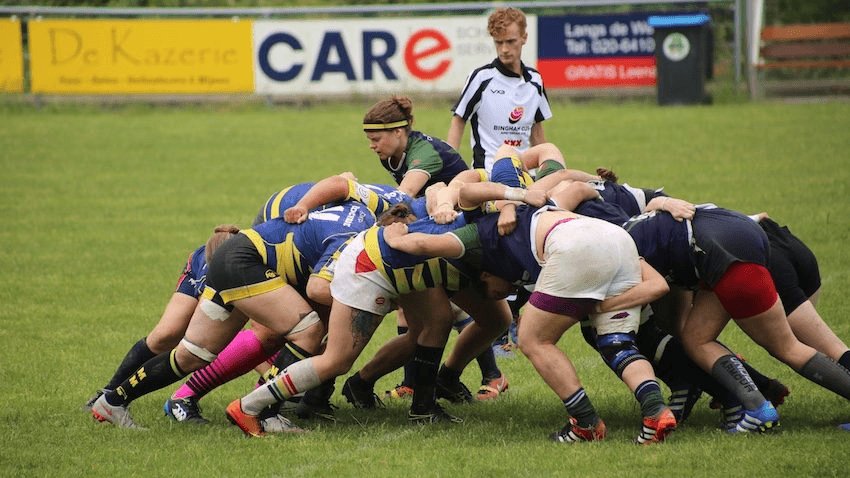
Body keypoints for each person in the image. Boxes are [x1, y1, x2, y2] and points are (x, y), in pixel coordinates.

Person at [382, 181, 677, 444]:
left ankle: (585, 423)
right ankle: (656, 412)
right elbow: (573, 189)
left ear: (484, 275)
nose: (503, 294)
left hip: (573, 244)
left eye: (492, 292)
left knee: (533, 340)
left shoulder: (474, 234)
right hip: (616, 239)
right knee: (618, 344)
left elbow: (441, 224)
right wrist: (517, 199)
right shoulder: (520, 218)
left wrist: (396, 238)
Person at [224, 204, 515, 436]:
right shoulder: (486, 231)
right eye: (511, 281)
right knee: (336, 360)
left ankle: (423, 408)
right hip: (371, 265)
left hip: (399, 266)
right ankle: (248, 407)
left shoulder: (498, 231)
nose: (512, 289)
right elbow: (462, 185)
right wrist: (503, 198)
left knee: (438, 320)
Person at [89, 199, 376, 430]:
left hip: (232, 260)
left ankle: (112, 401)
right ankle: (263, 413)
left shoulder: (362, 216)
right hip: (242, 262)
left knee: (192, 354)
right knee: (307, 330)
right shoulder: (357, 235)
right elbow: (317, 288)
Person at [623, 204, 850, 432]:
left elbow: (658, 287)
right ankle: (757, 407)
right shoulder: (626, 229)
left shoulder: (621, 251)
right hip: (740, 234)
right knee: (696, 339)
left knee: (787, 347)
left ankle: (758, 410)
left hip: (725, 255)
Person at [83, 225, 239, 412]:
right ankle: (109, 393)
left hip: (235, 272)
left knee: (200, 348)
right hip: (208, 270)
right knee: (168, 336)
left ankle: (119, 400)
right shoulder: (214, 270)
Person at [447, 7, 552, 173]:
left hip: (525, 175)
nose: (504, 49)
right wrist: (449, 166)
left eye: (510, 41)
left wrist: (546, 170)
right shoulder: (481, 78)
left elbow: (536, 129)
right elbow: (459, 119)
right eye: (499, 42)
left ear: (524, 37)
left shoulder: (535, 81)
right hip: (488, 174)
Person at [364, 95, 468, 198]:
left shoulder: (425, 152)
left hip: (463, 205)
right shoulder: (389, 154)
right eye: (370, 139)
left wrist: (361, 193)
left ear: (397, 132)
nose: (372, 146)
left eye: (376, 139)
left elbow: (405, 193)